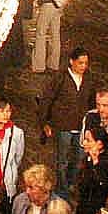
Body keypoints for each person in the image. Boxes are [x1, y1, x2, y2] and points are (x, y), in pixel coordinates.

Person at [40, 48, 98, 190]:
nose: (83, 66)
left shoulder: (89, 79)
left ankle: (71, 183)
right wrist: (45, 122)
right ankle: (62, 188)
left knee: (79, 158)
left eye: (86, 63)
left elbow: (91, 102)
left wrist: (92, 124)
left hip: (81, 127)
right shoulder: (60, 78)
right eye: (80, 63)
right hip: (63, 126)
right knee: (62, 160)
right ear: (72, 61)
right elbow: (47, 100)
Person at [31, 0, 73, 73]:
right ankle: (53, 64)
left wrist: (40, 0)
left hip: (48, 3)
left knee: (41, 33)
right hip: (58, 4)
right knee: (55, 34)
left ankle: (39, 65)